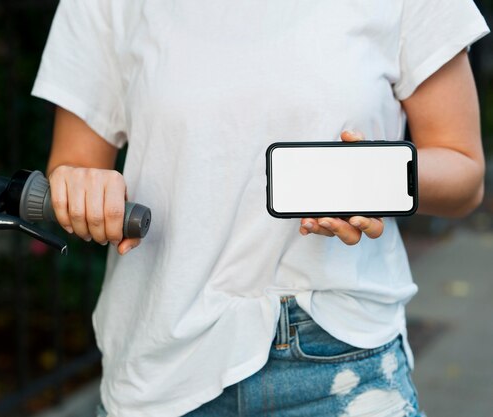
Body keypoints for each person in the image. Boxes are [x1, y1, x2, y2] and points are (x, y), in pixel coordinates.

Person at [31, 1, 489, 416]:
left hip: (340, 359)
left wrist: (372, 177)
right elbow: (71, 169)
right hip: (161, 369)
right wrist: (83, 190)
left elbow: (464, 174)